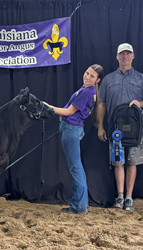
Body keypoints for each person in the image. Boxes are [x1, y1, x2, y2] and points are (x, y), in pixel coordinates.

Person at [97, 43, 143, 211]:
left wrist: (140, 103)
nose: (124, 56)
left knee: (132, 163)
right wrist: (100, 126)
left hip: (136, 131)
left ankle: (129, 197)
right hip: (115, 131)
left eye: (128, 53)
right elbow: (101, 103)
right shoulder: (108, 80)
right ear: (117, 57)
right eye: (121, 54)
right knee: (118, 163)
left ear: (133, 56)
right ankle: (120, 197)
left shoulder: (142, 79)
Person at [44, 64, 104, 214]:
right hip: (73, 128)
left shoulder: (86, 93)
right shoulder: (88, 91)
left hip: (71, 129)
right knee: (76, 167)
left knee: (75, 167)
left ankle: (80, 206)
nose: (87, 77)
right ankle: (78, 204)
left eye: (92, 76)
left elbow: (69, 111)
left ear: (97, 80)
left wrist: (48, 108)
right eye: (87, 73)